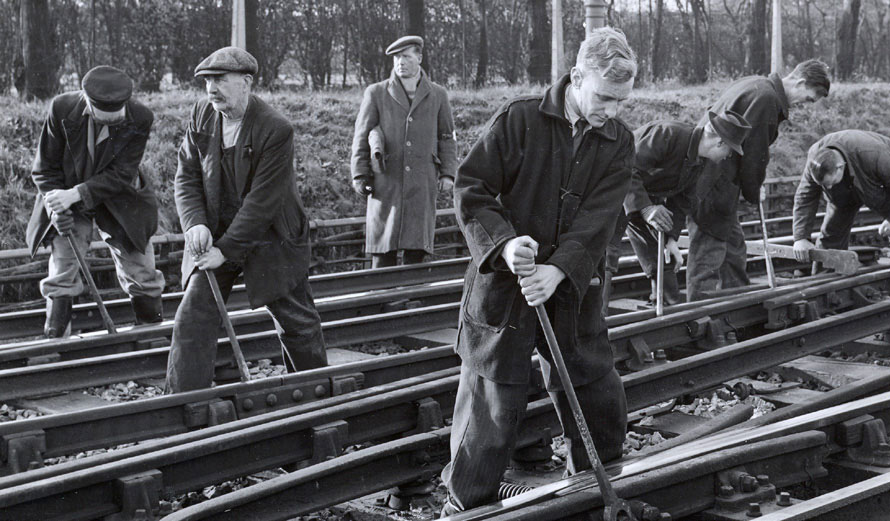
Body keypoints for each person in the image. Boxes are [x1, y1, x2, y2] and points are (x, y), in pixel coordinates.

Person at [440, 27, 639, 516]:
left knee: (596, 393)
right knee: (489, 412)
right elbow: (471, 190)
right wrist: (505, 245)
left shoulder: (618, 141)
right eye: (604, 98)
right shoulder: (519, 120)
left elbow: (599, 219)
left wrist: (559, 270)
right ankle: (463, 508)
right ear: (577, 77)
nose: (612, 111)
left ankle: (588, 499)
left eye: (621, 101)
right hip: (504, 288)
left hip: (572, 288)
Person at [165, 47, 327, 393]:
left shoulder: (275, 129)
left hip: (271, 236)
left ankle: (315, 393)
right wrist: (195, 223)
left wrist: (225, 251)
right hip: (216, 234)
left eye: (221, 80)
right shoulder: (202, 114)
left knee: (295, 320)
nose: (212, 88)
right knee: (193, 316)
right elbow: (187, 175)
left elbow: (262, 203)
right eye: (207, 81)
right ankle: (183, 403)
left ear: (246, 82)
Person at [26, 65, 165, 338]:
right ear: (87, 104)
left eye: (118, 115)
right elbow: (45, 169)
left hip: (120, 198)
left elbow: (122, 173)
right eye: (105, 117)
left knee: (141, 269)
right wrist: (55, 205)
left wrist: (77, 193)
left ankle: (151, 337)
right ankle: (56, 340)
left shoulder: (140, 117)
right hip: (67, 196)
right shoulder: (61, 109)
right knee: (63, 268)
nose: (114, 120)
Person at [686, 59, 831, 301]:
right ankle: (699, 316)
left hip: (714, 180)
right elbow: (754, 154)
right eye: (807, 99)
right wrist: (754, 190)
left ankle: (737, 307)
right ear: (800, 83)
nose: (802, 105)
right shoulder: (767, 99)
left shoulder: (755, 84)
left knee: (733, 247)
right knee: (708, 252)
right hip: (711, 183)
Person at [621, 111, 751, 306]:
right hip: (609, 189)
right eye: (730, 151)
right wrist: (647, 208)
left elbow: (682, 202)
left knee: (664, 257)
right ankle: (596, 318)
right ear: (719, 143)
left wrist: (671, 238)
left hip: (641, 197)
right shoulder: (667, 134)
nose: (728, 156)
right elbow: (625, 169)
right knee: (605, 259)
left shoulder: (703, 163)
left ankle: (666, 309)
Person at [350, 35, 458, 268]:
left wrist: (448, 173)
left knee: (416, 249)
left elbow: (446, 137)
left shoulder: (438, 95)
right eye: (397, 57)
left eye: (407, 56)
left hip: (422, 181)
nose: (401, 62)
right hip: (386, 180)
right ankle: (381, 291)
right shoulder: (376, 93)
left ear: (419, 58)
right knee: (383, 246)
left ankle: (413, 291)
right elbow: (361, 135)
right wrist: (360, 175)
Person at [792, 129, 890, 299]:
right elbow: (805, 197)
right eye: (824, 186)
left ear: (840, 167)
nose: (828, 188)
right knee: (831, 235)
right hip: (846, 188)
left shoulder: (875, 155)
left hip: (884, 181)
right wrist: (800, 237)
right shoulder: (815, 159)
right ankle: (825, 293)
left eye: (830, 183)